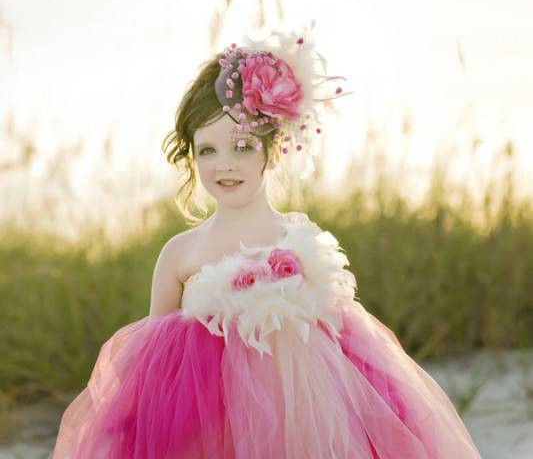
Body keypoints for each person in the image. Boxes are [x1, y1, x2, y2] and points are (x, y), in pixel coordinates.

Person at [52, 22, 481, 458]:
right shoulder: (181, 254)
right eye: (207, 150)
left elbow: (342, 350)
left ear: (272, 149)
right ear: (190, 154)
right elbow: (150, 373)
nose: (224, 165)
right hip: (207, 434)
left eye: (242, 146)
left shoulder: (300, 242)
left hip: (304, 426)